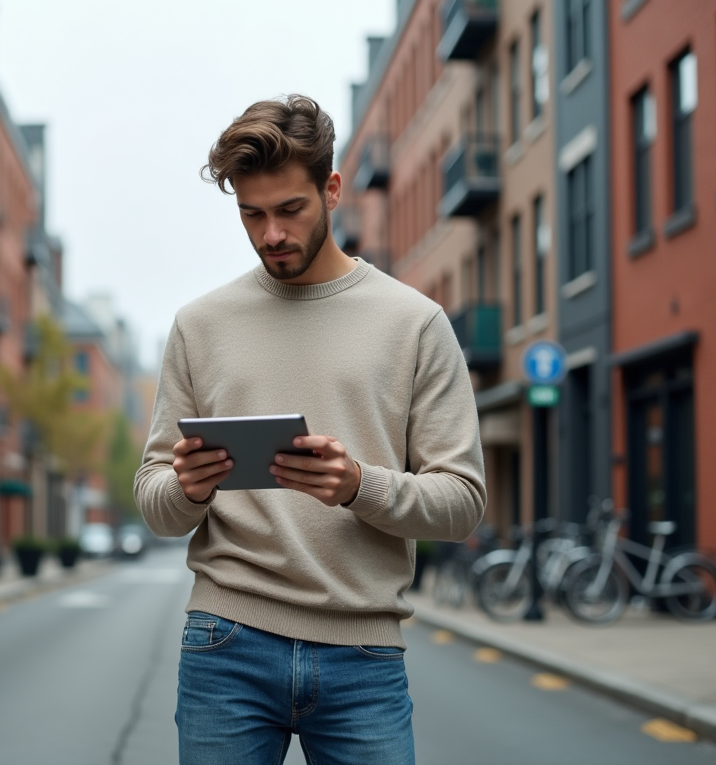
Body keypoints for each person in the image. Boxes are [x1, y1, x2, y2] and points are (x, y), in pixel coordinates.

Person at [133, 94, 486, 765]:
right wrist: (189, 486)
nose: (271, 234)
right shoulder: (200, 325)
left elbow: (462, 504)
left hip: (364, 653)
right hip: (224, 642)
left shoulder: (415, 323)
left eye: (289, 210)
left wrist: (359, 485)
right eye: (251, 214)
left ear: (331, 190)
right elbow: (156, 503)